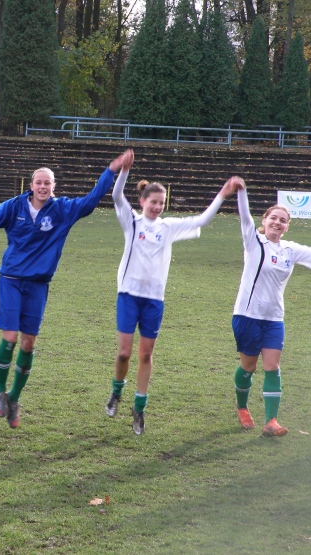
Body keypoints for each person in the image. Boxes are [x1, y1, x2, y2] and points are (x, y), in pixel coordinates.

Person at [0, 150, 135, 429]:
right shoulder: (14, 207)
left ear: (53, 186)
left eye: (47, 183)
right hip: (11, 279)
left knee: (28, 343)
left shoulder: (62, 210)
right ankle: (0, 392)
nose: (42, 187)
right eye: (38, 182)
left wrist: (111, 170)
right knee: (10, 337)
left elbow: (90, 200)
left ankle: (14, 399)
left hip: (38, 285)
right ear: (31, 185)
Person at [105, 171, 240, 435]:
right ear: (142, 201)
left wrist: (223, 195)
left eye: (161, 202)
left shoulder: (168, 228)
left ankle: (139, 408)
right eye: (153, 201)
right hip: (128, 296)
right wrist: (123, 170)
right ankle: (116, 391)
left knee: (146, 355)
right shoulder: (132, 222)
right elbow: (116, 195)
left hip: (154, 301)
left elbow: (202, 219)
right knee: (124, 353)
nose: (157, 206)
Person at [230, 178, 311, 437]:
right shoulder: (254, 241)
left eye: (283, 220)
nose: (277, 223)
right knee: (248, 367)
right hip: (247, 315)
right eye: (273, 218)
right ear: (265, 220)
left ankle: (271, 421)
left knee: (272, 367)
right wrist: (241, 191)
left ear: (287, 226)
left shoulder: (290, 249)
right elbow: (244, 217)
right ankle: (242, 407)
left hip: (274, 318)